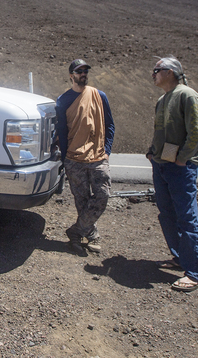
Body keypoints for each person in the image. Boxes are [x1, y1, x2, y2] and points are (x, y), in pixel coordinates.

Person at [147, 56, 198, 292]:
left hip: (180, 168)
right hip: (162, 164)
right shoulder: (163, 99)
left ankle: (194, 273)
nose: (153, 74)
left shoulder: (187, 95)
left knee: (186, 217)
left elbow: (197, 131)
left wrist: (182, 159)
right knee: (166, 213)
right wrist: (152, 153)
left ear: (170, 72)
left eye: (157, 70)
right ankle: (180, 256)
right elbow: (161, 131)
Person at [56, 59, 115, 255]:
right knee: (81, 200)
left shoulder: (99, 96)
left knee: (102, 195)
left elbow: (110, 126)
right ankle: (90, 234)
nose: (83, 74)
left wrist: (106, 150)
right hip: (74, 159)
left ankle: (75, 232)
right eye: (79, 71)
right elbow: (62, 133)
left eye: (85, 71)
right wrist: (65, 159)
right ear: (71, 75)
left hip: (98, 157)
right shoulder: (63, 100)